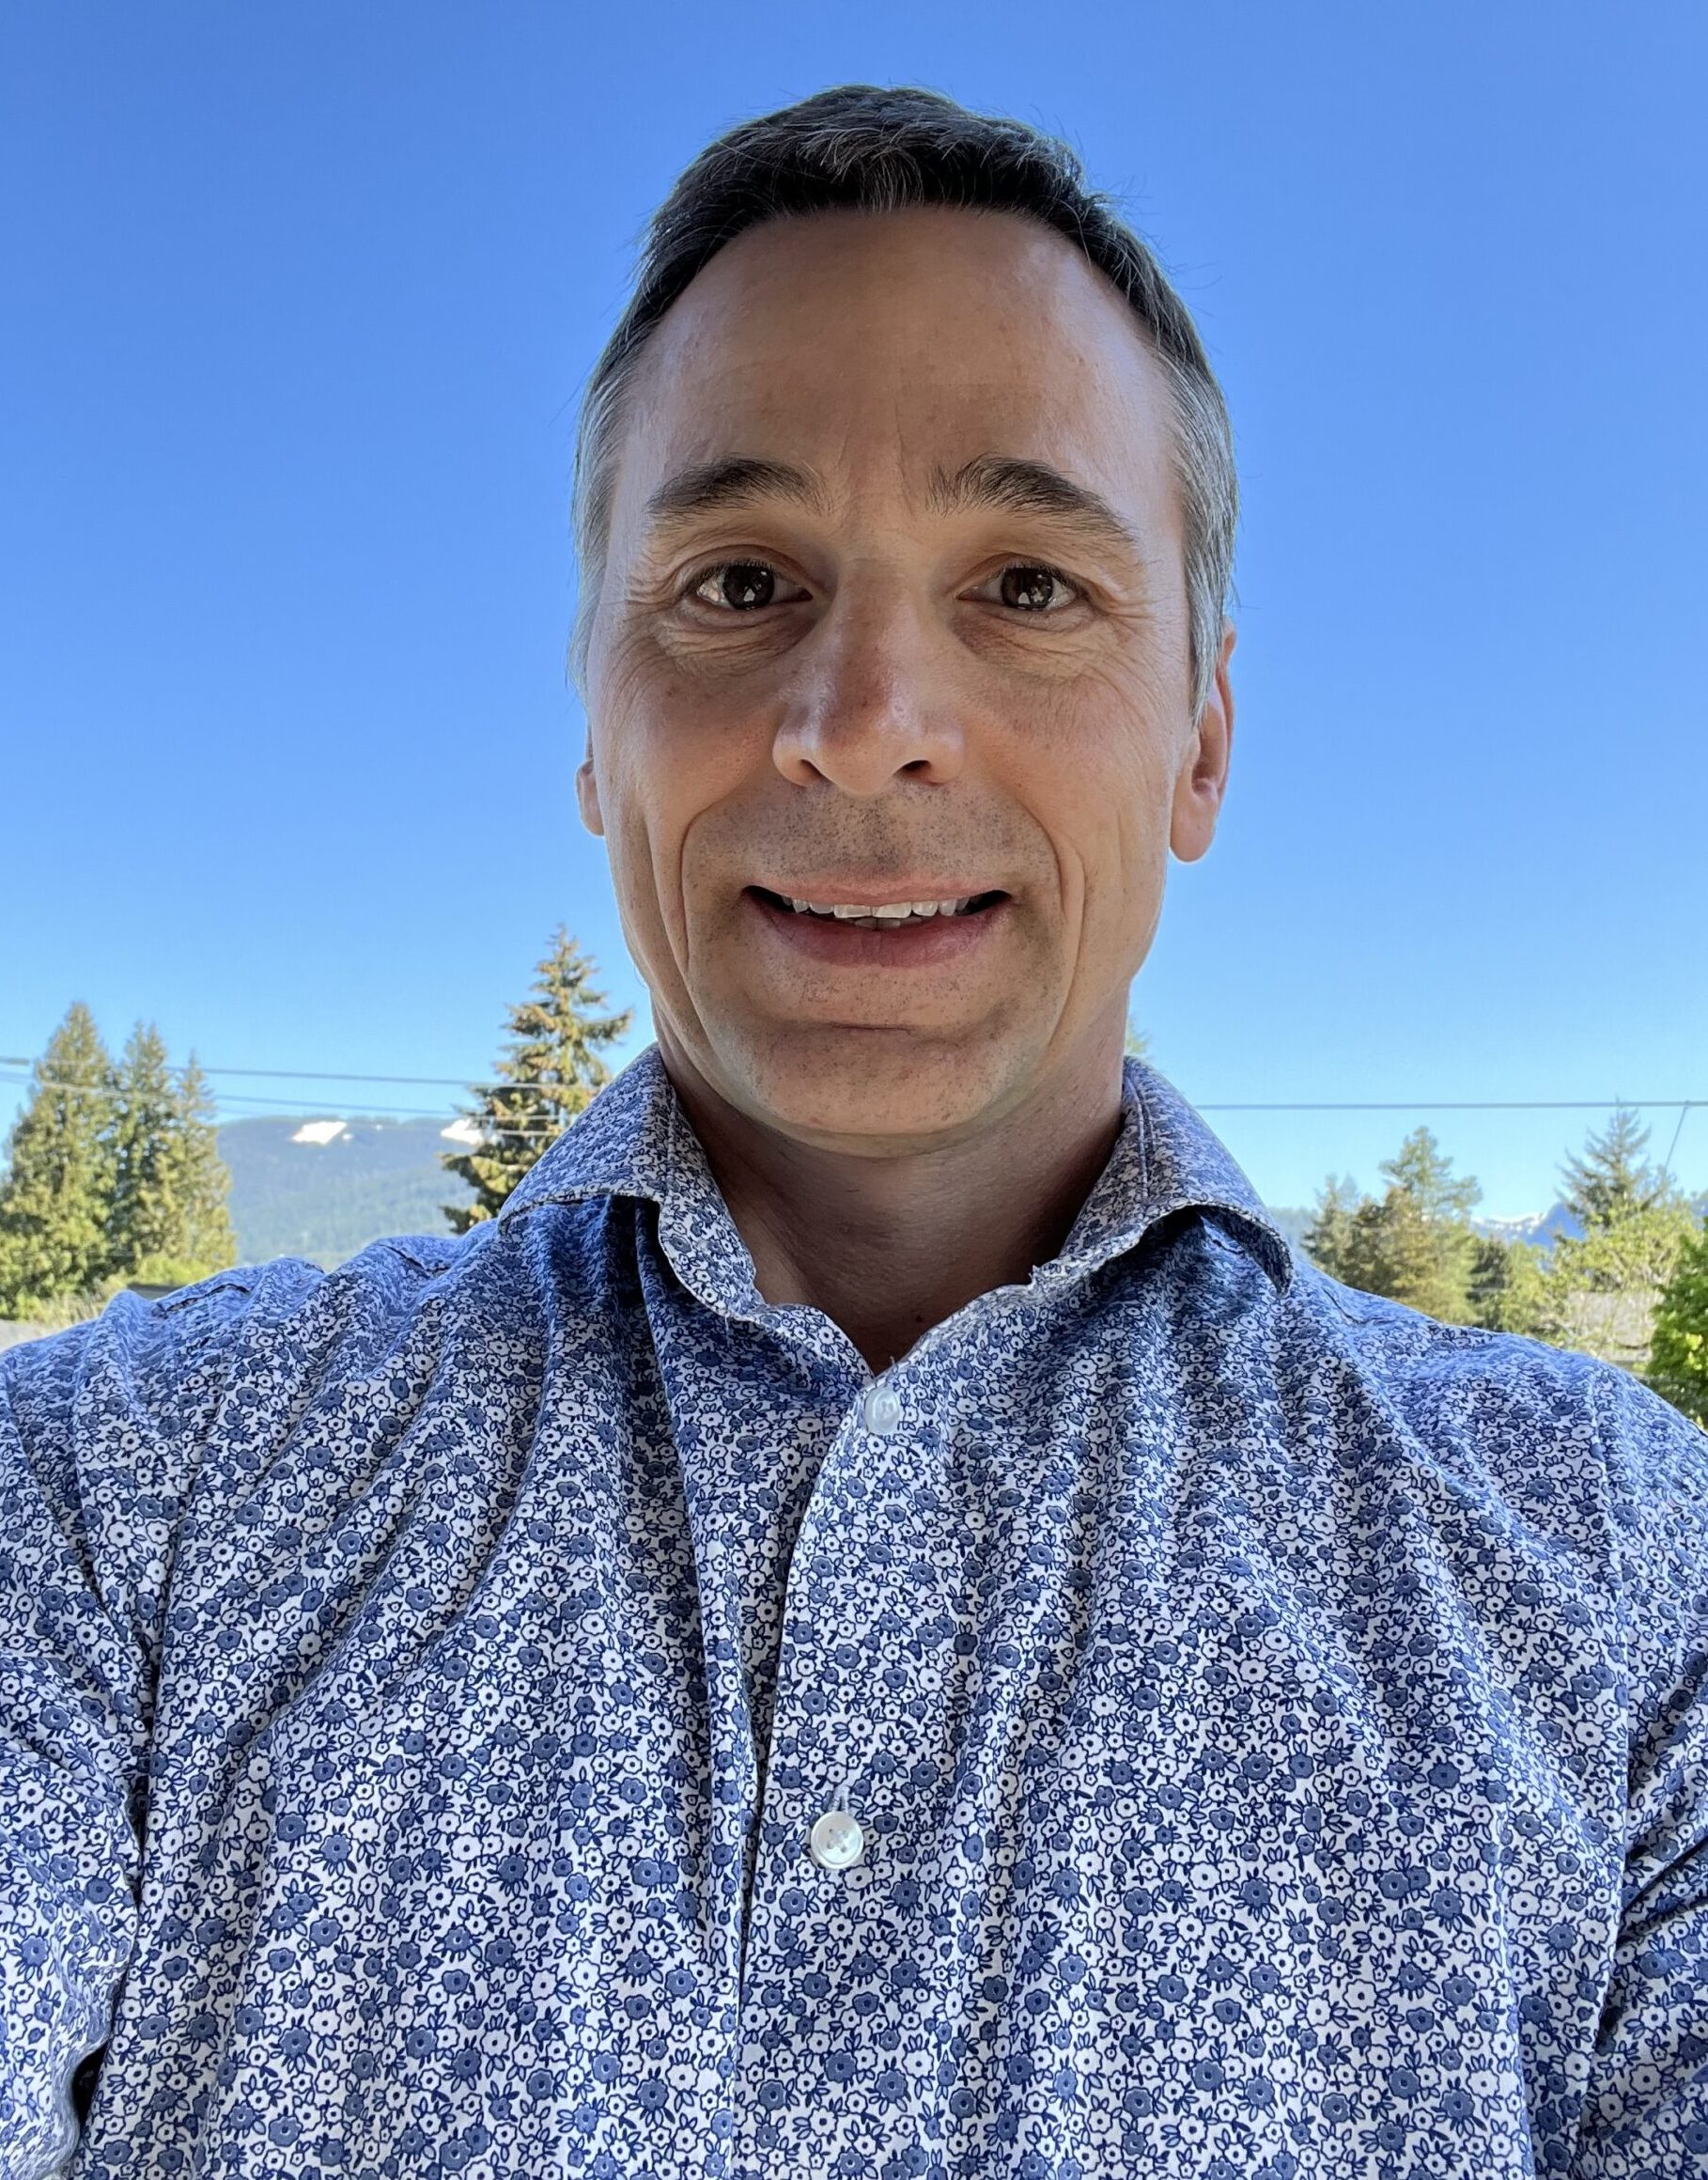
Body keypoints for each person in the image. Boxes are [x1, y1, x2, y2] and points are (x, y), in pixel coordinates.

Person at [3, 83, 1704, 2180]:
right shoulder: (115, 1496)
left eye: (1028, 585)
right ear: (595, 729)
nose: (864, 718)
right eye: (738, 581)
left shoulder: (1627, 1582)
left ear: (1203, 740)